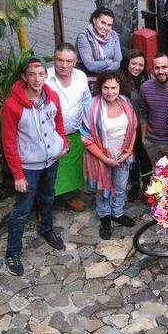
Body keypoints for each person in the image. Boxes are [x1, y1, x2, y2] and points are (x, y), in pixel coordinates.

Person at [1, 58, 68, 276]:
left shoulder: (52, 97)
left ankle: (46, 229)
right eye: (32, 74)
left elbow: (58, 123)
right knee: (22, 209)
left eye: (41, 74)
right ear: (24, 77)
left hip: (51, 161)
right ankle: (12, 252)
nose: (37, 79)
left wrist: (63, 143)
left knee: (48, 198)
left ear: (45, 76)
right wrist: (18, 175)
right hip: (29, 167)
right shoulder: (12, 105)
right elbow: (9, 142)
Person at [81, 70, 139, 240]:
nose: (110, 92)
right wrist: (105, 158)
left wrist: (128, 151)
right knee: (102, 189)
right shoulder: (90, 107)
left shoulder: (126, 103)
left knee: (120, 186)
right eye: (106, 88)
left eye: (114, 88)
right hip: (100, 157)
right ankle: (105, 216)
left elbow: (133, 128)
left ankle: (117, 213)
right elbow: (86, 138)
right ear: (100, 87)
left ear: (120, 87)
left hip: (123, 155)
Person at [46, 43, 92, 212]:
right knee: (49, 169)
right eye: (60, 60)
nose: (64, 65)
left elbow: (87, 101)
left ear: (75, 61)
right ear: (54, 59)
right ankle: (45, 203)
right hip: (50, 134)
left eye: (68, 61)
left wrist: (92, 127)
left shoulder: (81, 77)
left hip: (75, 131)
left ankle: (70, 196)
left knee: (72, 167)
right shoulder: (45, 78)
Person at [138, 52, 168, 164]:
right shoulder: (145, 88)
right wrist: (144, 138)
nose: (160, 71)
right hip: (151, 143)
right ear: (152, 69)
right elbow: (143, 113)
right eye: (157, 68)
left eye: (164, 67)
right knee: (155, 173)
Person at [119, 49, 151, 201]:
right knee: (131, 158)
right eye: (133, 63)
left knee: (145, 157)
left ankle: (147, 185)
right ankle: (134, 184)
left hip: (144, 126)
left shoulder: (147, 79)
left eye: (140, 65)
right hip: (127, 127)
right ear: (127, 63)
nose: (137, 67)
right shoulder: (119, 80)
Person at [76, 7, 122, 75]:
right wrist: (109, 62)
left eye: (109, 25)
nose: (105, 27)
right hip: (87, 76)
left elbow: (118, 62)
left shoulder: (114, 36)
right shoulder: (84, 37)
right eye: (103, 23)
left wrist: (104, 74)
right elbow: (90, 66)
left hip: (108, 76)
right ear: (94, 20)